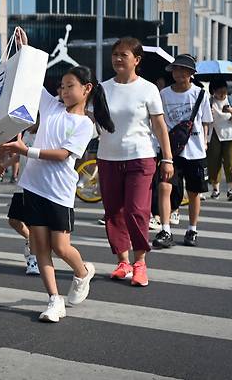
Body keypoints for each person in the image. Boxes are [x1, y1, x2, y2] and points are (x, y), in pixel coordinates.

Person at [2, 57, 114, 322]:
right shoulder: (50, 105)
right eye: (61, 86)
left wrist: (25, 150)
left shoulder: (86, 124)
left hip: (59, 193)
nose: (62, 91)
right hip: (33, 187)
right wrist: (23, 50)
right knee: (40, 247)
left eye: (69, 86)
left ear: (86, 89)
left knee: (61, 247)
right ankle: (54, 300)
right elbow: (32, 78)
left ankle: (83, 272)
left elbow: (64, 154)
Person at [96, 38, 173, 287]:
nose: (118, 59)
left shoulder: (148, 89)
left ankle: (140, 263)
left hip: (140, 157)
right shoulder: (102, 88)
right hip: (108, 157)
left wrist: (168, 158)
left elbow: (159, 126)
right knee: (113, 212)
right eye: (115, 54)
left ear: (137, 60)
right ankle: (123, 262)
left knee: (137, 211)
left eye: (124, 55)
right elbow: (91, 120)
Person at [153, 54, 212, 249]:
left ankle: (192, 229)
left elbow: (206, 122)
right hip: (170, 151)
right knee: (164, 187)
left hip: (195, 151)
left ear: (191, 73)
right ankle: (165, 229)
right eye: (176, 69)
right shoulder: (163, 94)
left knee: (194, 192)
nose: (179, 73)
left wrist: (205, 142)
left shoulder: (201, 94)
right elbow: (158, 122)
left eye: (184, 70)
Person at [4, 127, 40, 275]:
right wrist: (3, 166)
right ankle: (29, 240)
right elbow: (20, 155)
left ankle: (34, 259)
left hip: (36, 185)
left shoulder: (43, 133)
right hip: (22, 184)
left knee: (33, 224)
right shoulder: (25, 133)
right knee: (13, 220)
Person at [207, 79, 232, 201]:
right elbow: (204, 120)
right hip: (214, 135)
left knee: (231, 163)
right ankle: (215, 190)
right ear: (213, 91)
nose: (222, 94)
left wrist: (231, 111)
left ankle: (231, 190)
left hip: (231, 136)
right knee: (213, 163)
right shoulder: (209, 102)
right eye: (219, 91)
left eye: (224, 91)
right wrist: (208, 113)